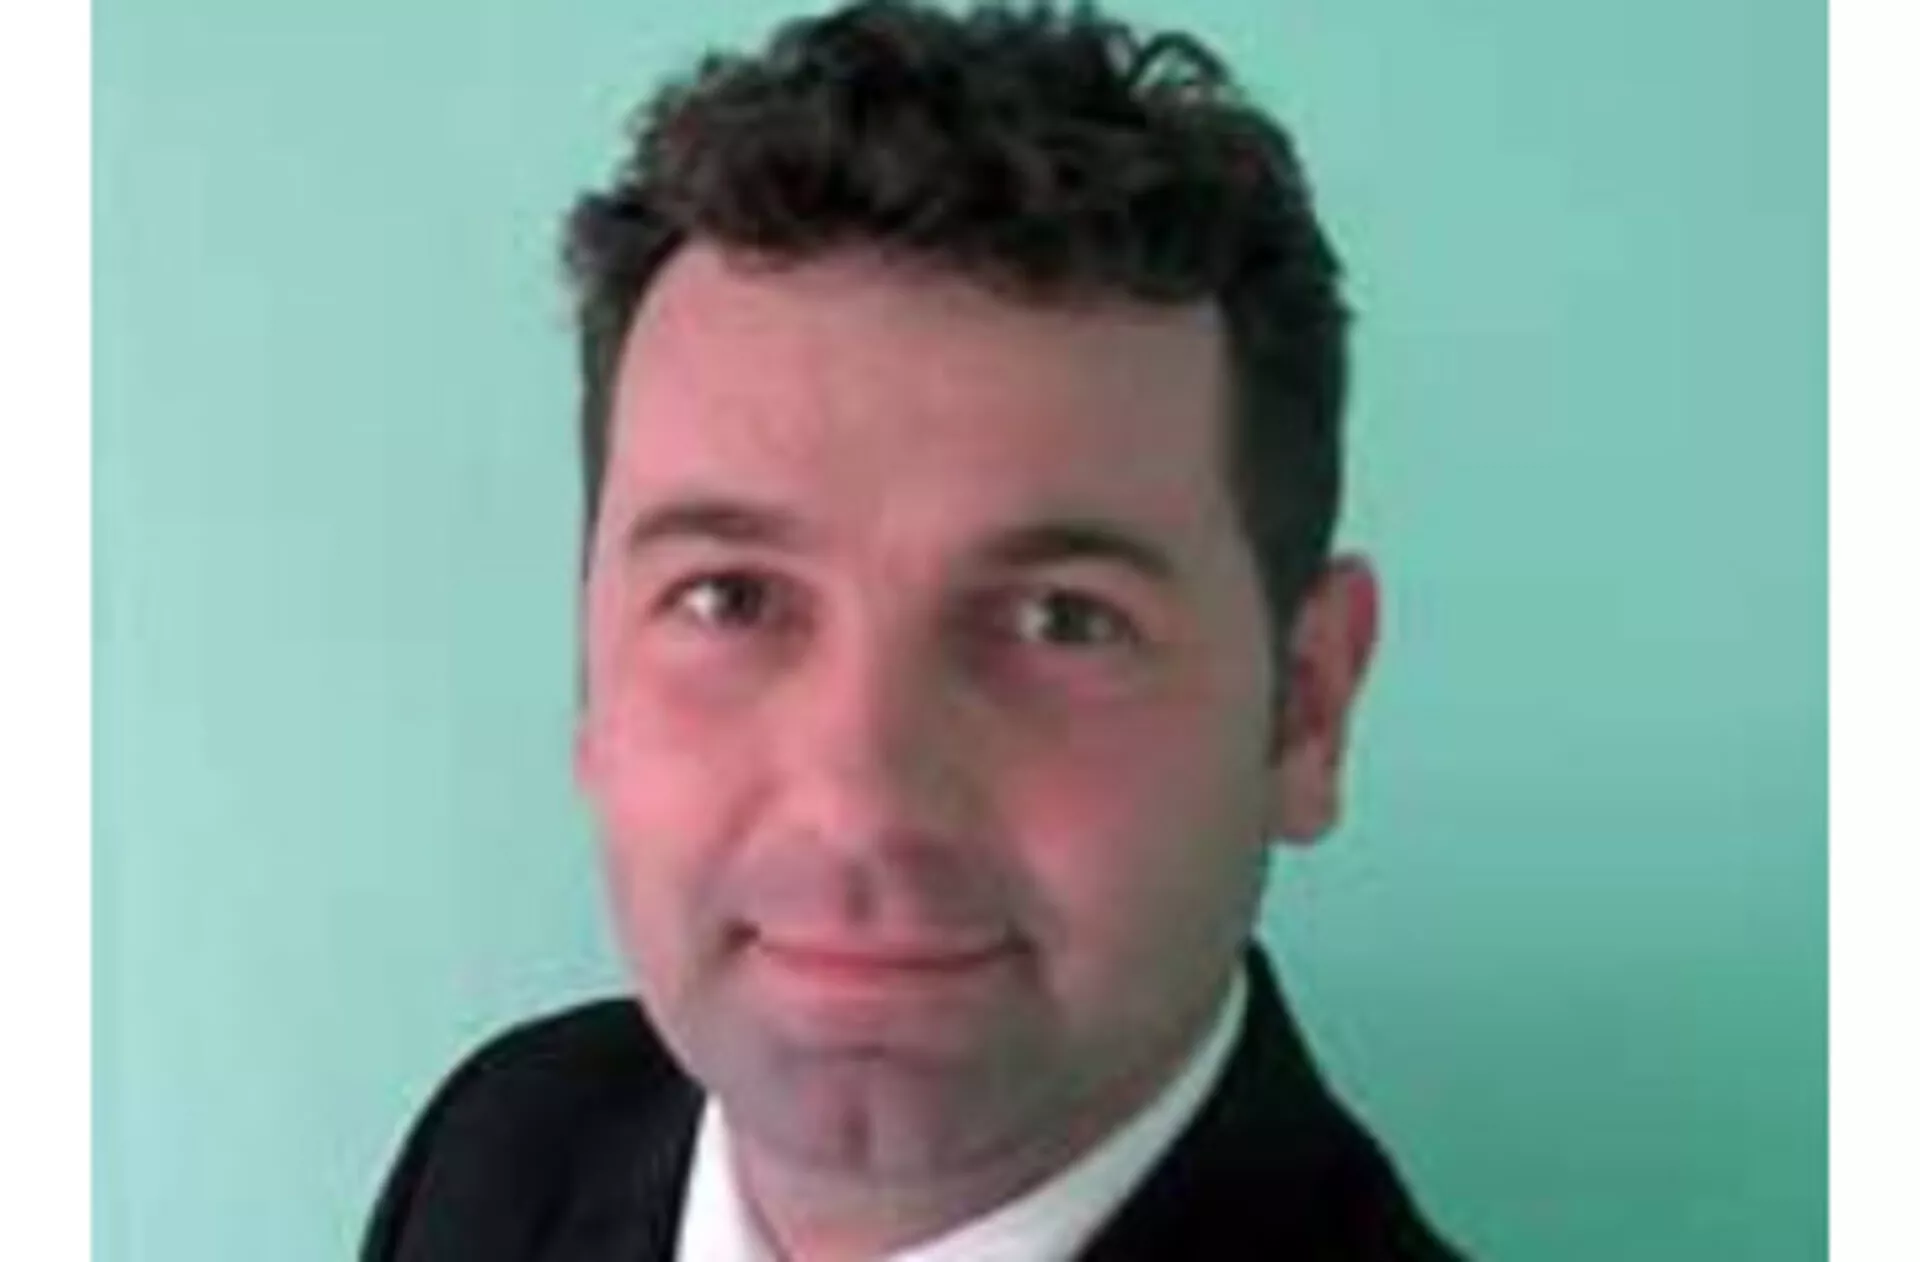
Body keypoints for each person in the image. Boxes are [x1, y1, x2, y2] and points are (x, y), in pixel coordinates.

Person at [362, 1, 1463, 1257]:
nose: (859, 800)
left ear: (1308, 708)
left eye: (1061, 619)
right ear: (592, 675)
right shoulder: (503, 1147)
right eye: (730, 596)